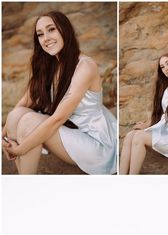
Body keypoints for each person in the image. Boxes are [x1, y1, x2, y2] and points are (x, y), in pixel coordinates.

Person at [2, 11, 117, 175]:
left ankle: (25, 186)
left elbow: (58, 119)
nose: (46, 38)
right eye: (40, 34)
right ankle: (25, 180)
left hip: (95, 143)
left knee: (28, 121)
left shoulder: (85, 66)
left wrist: (19, 150)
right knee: (15, 115)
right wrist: (3, 138)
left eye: (51, 29)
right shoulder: (48, 65)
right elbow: (24, 102)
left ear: (65, 30)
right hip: (69, 132)